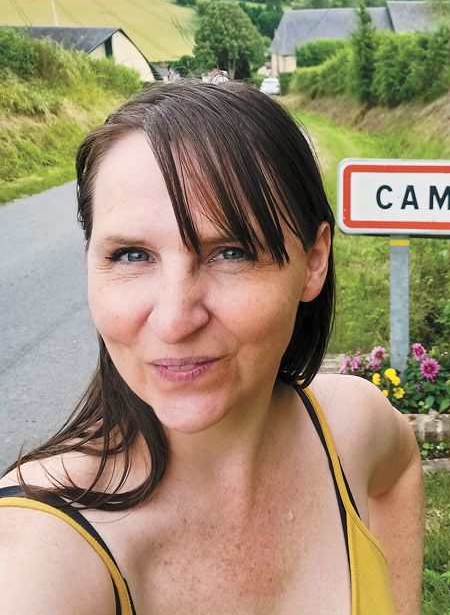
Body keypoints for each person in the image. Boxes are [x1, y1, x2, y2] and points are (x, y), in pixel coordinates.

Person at [0, 81, 424, 614]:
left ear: (314, 260)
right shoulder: (36, 557)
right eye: (132, 255)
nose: (176, 320)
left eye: (231, 252)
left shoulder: (351, 425)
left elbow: (401, 467)